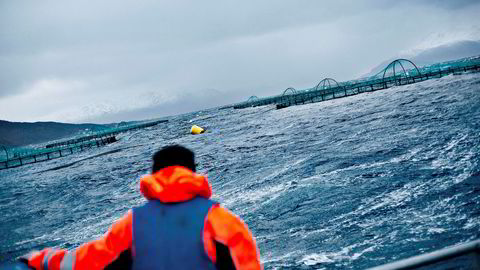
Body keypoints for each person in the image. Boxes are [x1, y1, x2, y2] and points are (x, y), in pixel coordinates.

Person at [19, 145, 262, 270]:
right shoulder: (223, 221)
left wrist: (41, 259)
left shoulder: (133, 223)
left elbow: (88, 261)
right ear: (194, 173)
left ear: (154, 175)